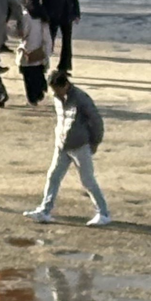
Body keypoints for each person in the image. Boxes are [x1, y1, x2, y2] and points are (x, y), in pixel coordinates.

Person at [24, 68, 110, 225]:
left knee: (88, 181)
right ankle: (45, 210)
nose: (55, 93)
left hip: (80, 145)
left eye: (57, 89)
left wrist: (95, 142)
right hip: (62, 145)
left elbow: (96, 121)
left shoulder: (81, 98)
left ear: (65, 85)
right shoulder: (58, 97)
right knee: (53, 176)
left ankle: (103, 214)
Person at [40, 0, 82, 73]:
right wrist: (43, 15)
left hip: (67, 15)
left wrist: (77, 13)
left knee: (67, 42)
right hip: (52, 16)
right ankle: (44, 64)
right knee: (49, 41)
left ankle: (64, 66)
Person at [17, 0, 51, 107]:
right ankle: (39, 93)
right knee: (38, 73)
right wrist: (47, 53)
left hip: (28, 51)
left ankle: (32, 99)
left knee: (28, 77)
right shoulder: (42, 17)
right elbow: (47, 37)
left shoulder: (26, 16)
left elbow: (23, 33)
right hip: (40, 51)